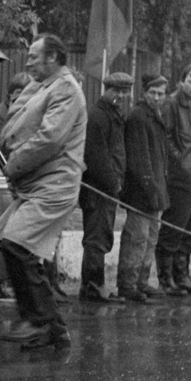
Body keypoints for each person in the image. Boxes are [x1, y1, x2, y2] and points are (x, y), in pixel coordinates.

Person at [0, 34, 86, 350]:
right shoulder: (42, 85)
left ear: (54, 58)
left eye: (34, 56)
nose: (28, 61)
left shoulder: (67, 90)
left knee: (17, 243)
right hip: (35, 182)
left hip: (54, 184)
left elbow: (49, 139)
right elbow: (15, 122)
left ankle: (37, 321)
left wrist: (11, 164)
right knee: (8, 241)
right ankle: (53, 328)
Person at [154, 63, 191, 296]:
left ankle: (182, 275)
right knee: (173, 229)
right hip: (180, 179)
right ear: (181, 81)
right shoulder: (172, 104)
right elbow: (166, 139)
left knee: (190, 229)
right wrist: (182, 164)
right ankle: (166, 279)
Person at [78, 72, 133, 303]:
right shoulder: (99, 116)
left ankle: (94, 285)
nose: (121, 96)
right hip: (98, 189)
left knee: (102, 236)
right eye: (116, 91)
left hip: (107, 189)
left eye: (124, 91)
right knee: (96, 238)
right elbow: (97, 157)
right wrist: (113, 184)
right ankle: (93, 286)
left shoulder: (113, 114)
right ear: (106, 90)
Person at [117, 74, 170, 302]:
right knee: (136, 238)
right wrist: (151, 188)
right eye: (153, 93)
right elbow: (140, 159)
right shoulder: (138, 116)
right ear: (144, 93)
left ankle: (142, 281)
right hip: (142, 192)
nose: (157, 98)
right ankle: (128, 284)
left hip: (156, 190)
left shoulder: (154, 116)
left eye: (161, 94)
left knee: (150, 239)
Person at [0, 72, 31, 137]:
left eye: (27, 93)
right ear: (11, 93)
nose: (23, 96)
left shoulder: (27, 111)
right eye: (19, 92)